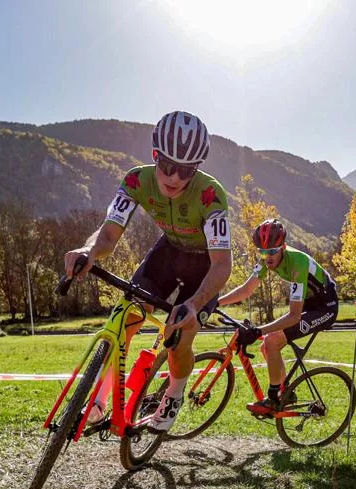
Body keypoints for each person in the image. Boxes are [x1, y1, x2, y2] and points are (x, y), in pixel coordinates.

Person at [63, 111, 231, 432]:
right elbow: (109, 234)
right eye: (167, 165)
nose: (175, 178)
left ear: (197, 168)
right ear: (155, 155)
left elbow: (223, 263)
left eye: (186, 170)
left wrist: (194, 304)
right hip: (167, 254)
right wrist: (89, 251)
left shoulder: (210, 194)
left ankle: (175, 393)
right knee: (126, 316)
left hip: (205, 268)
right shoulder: (136, 180)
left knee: (176, 337)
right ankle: (98, 401)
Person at [218, 218, 339, 414]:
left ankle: (273, 399)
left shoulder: (297, 262)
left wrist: (258, 330)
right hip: (309, 304)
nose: (268, 257)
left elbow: (293, 316)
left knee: (271, 340)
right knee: (267, 346)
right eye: (263, 252)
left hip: (325, 308)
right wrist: (216, 302)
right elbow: (247, 289)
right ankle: (286, 393)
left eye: (272, 251)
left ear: (283, 246)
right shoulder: (266, 260)